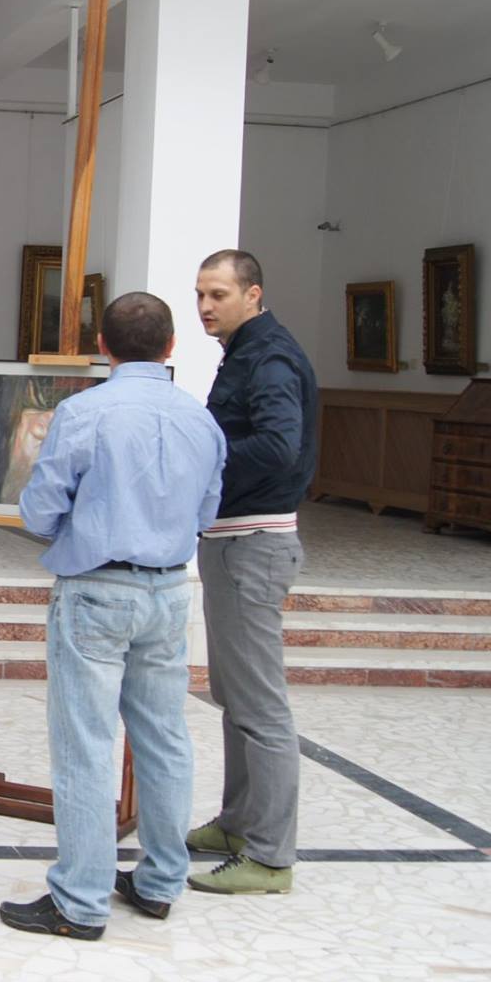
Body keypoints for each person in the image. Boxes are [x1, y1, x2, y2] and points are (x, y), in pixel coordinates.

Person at [0, 293, 226, 940]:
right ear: (171, 346)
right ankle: (159, 883)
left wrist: (79, 524)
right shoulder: (199, 418)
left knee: (86, 745)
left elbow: (41, 509)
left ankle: (80, 901)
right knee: (165, 739)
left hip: (97, 589)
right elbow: (207, 511)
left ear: (102, 345)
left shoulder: (84, 412)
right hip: (169, 590)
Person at [187, 249, 319, 895]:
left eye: (218, 294)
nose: (205, 306)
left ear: (253, 294)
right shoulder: (243, 351)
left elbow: (277, 445)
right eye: (200, 294)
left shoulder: (269, 358)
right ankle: (240, 823)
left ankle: (269, 856)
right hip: (233, 541)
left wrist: (201, 454)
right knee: (234, 694)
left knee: (260, 705)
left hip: (254, 544)